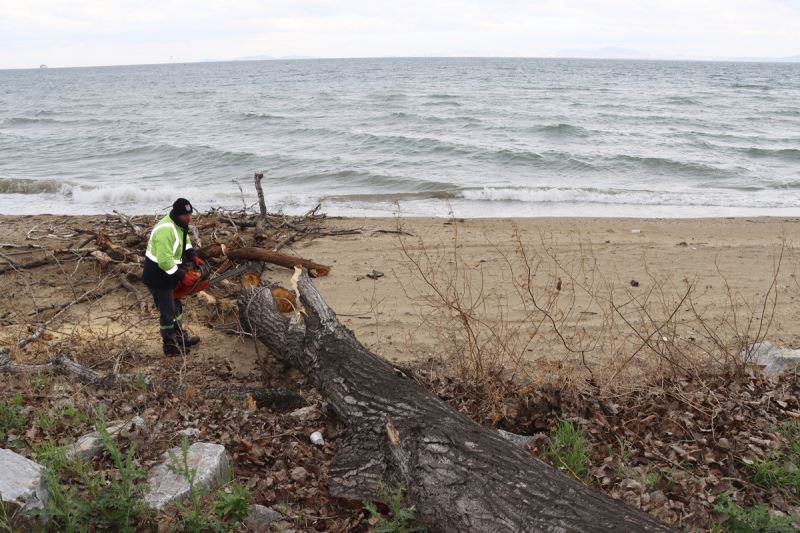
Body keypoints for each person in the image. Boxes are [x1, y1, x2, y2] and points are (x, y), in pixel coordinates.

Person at [142, 198, 203, 356]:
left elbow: (185, 242)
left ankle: (180, 337)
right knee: (168, 312)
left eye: (190, 214)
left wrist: (193, 255)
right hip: (157, 276)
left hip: (169, 274)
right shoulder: (165, 230)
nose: (189, 218)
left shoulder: (179, 225)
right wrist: (182, 276)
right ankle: (169, 346)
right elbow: (164, 261)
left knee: (177, 308)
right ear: (177, 214)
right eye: (185, 215)